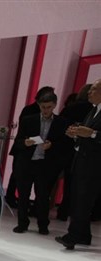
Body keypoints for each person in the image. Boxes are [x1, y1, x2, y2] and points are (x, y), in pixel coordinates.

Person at [9, 92, 67, 235]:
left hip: (46, 164)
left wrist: (51, 145)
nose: (45, 110)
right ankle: (22, 223)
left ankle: (43, 225)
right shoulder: (28, 120)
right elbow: (18, 141)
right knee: (23, 195)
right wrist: (25, 142)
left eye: (48, 107)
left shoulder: (61, 123)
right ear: (39, 106)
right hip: (27, 162)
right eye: (43, 107)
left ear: (54, 105)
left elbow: (64, 144)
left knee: (43, 196)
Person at [56, 79, 101, 249]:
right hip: (81, 161)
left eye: (93, 89)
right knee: (79, 199)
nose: (89, 92)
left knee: (83, 201)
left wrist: (93, 134)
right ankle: (84, 236)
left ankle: (72, 236)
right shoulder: (93, 110)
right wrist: (76, 134)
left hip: (94, 165)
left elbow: (93, 134)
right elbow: (86, 134)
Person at [56, 84, 93, 220]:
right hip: (86, 153)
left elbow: (59, 126)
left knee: (67, 182)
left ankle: (63, 211)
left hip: (66, 150)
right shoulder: (93, 110)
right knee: (82, 185)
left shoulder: (71, 108)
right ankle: (76, 212)